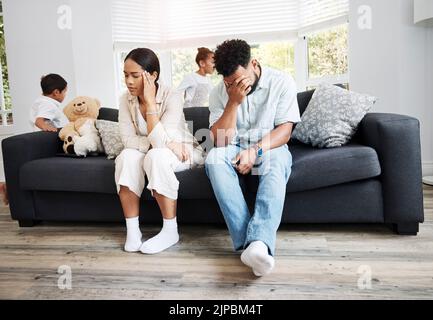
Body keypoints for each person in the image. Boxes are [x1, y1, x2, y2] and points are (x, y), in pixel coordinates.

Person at [204, 39, 301, 276]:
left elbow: (284, 131)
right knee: (213, 160)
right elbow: (218, 140)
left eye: (238, 80)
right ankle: (256, 246)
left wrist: (255, 150)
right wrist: (233, 102)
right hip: (233, 144)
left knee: (276, 161)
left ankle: (257, 244)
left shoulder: (282, 82)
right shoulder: (219, 92)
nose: (233, 85)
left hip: (269, 145)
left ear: (253, 64)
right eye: (228, 82)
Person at [116, 48, 204, 254]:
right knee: (126, 156)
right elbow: (127, 140)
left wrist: (149, 102)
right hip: (158, 149)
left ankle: (170, 230)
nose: (128, 81)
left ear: (152, 75)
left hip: (183, 151)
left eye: (135, 75)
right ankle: (133, 231)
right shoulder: (124, 99)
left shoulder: (172, 95)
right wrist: (165, 143)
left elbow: (159, 141)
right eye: (125, 75)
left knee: (157, 156)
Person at [0, 74, 69, 206]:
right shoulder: (48, 104)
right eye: (65, 91)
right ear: (56, 92)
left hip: (42, 142)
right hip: (46, 142)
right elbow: (39, 120)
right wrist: (48, 128)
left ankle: (9, 187)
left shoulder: (42, 101)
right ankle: (9, 188)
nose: (65, 95)